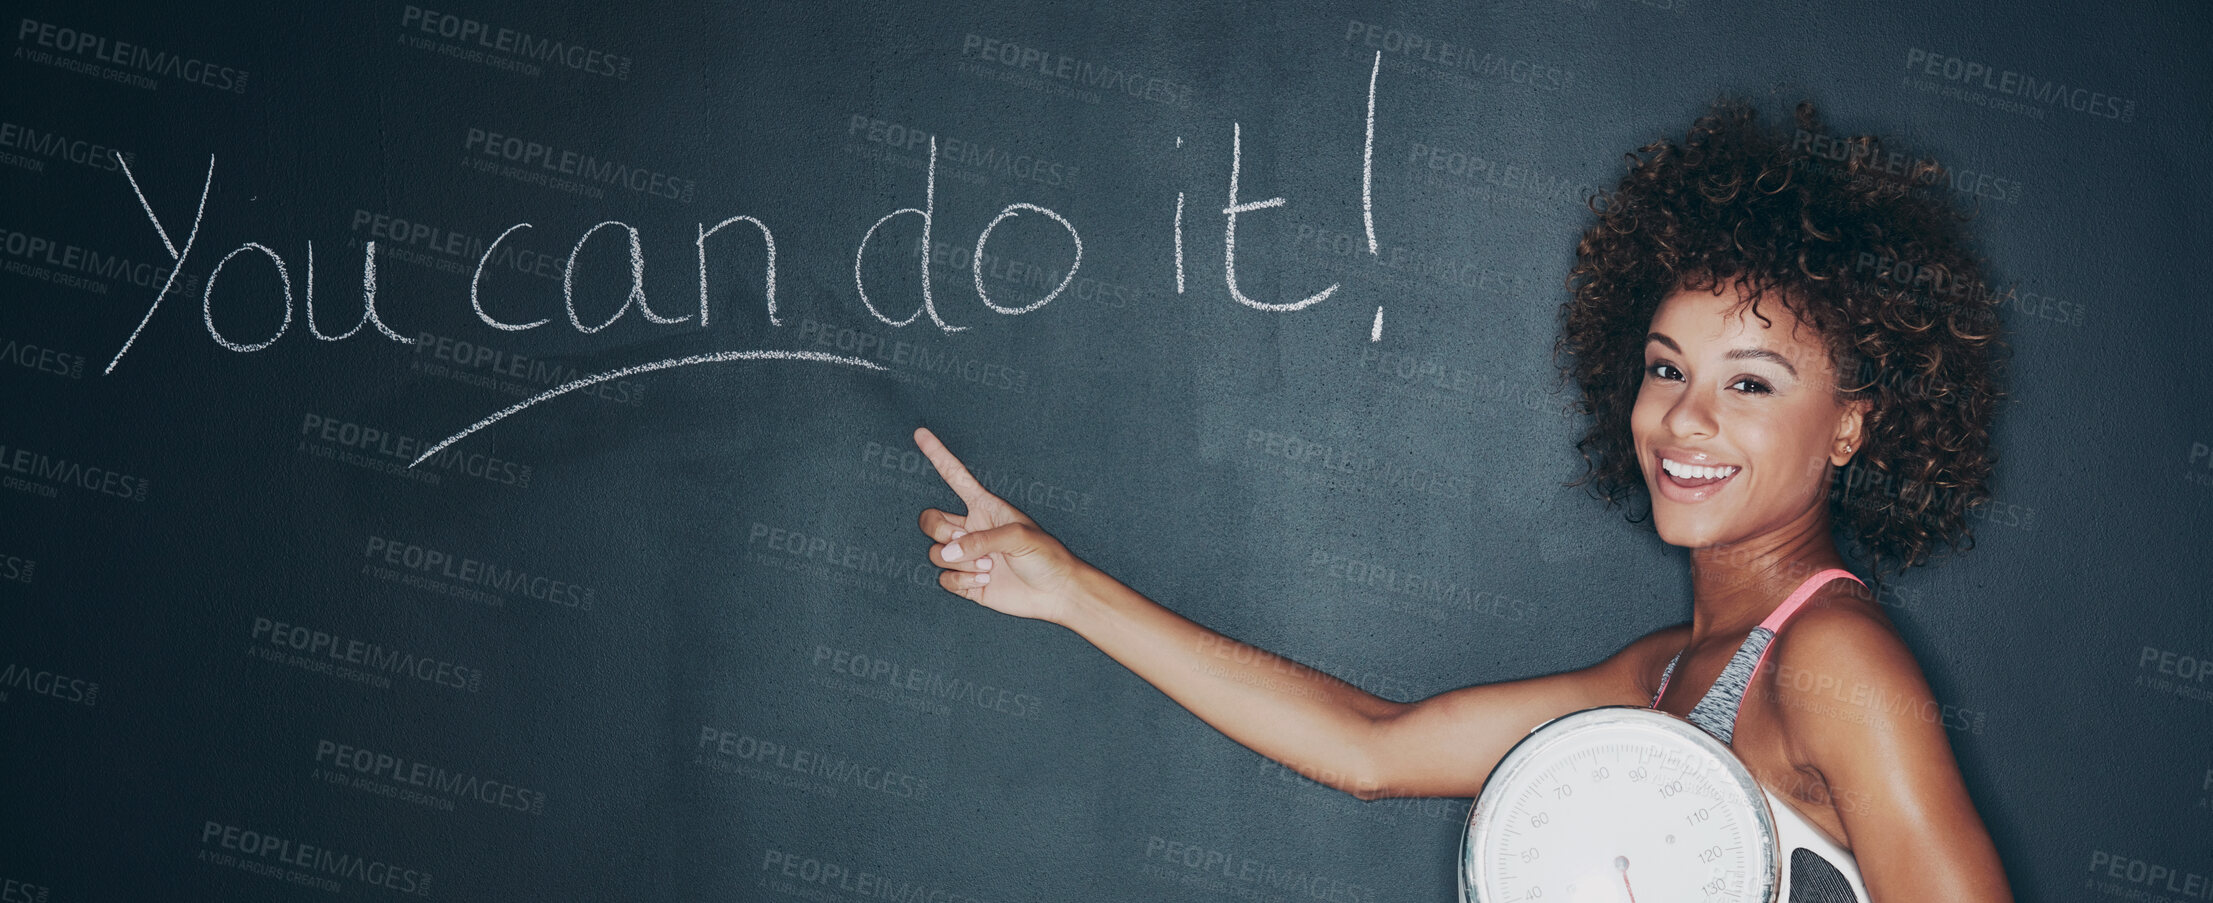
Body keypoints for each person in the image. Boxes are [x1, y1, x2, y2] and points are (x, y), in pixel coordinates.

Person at [909, 99, 2013, 901]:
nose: (1683, 420)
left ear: (1852, 425)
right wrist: (1066, 591)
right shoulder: (1668, 672)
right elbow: (1374, 748)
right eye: (1666, 367)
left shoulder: (1834, 663)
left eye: (1749, 385)